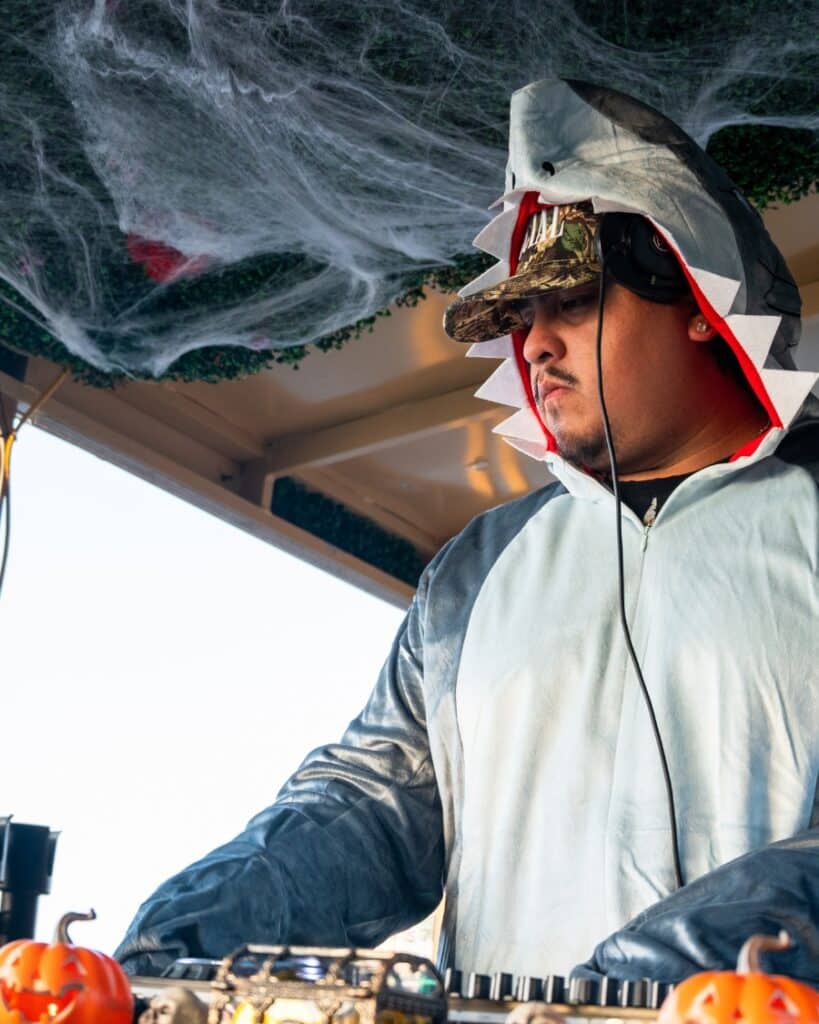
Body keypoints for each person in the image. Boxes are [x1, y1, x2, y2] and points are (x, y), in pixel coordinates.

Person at [116, 79, 819, 985]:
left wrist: (667, 976)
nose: (534, 344)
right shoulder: (476, 570)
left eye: (572, 302)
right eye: (523, 316)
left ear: (695, 297)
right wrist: (187, 936)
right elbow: (373, 804)